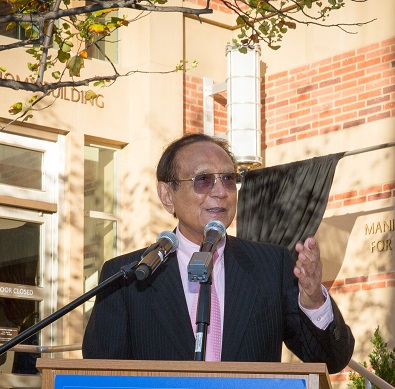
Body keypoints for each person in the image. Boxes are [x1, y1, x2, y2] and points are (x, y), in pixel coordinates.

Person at [82, 133, 353, 373]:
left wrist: (315, 301)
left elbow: (330, 360)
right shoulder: (129, 276)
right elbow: (102, 379)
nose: (221, 191)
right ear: (167, 195)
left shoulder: (271, 266)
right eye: (203, 180)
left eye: (228, 179)